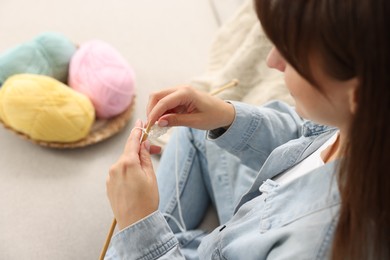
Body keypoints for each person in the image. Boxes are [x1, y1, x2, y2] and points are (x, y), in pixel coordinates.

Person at [105, 0, 389, 259]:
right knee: (194, 130)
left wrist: (138, 223)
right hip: (250, 223)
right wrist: (226, 116)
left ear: (359, 94)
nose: (272, 61)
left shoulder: (317, 246)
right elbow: (304, 140)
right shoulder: (363, 124)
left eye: (291, 56)